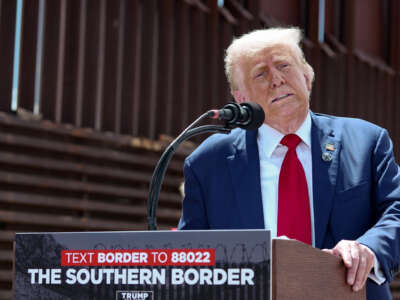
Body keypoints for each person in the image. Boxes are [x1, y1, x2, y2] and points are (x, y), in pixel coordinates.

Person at [177, 27, 400, 300]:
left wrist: (370, 249)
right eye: (261, 73)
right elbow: (191, 260)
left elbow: (396, 210)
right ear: (241, 99)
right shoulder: (208, 164)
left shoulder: (366, 142)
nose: (277, 80)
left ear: (307, 77)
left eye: (284, 65)